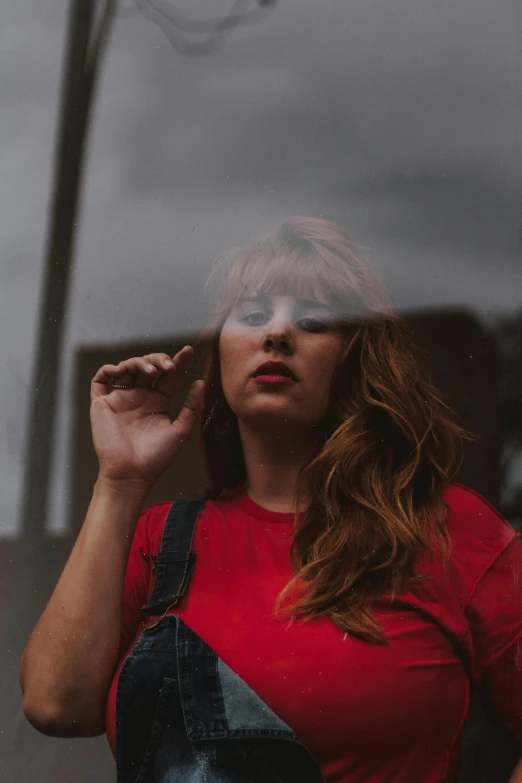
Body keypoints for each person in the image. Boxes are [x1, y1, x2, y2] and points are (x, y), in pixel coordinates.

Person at [20, 217, 522, 783]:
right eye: (254, 315)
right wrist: (120, 480)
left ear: (352, 361)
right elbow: (55, 705)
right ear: (223, 358)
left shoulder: (446, 529)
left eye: (314, 321)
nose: (278, 334)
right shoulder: (162, 541)